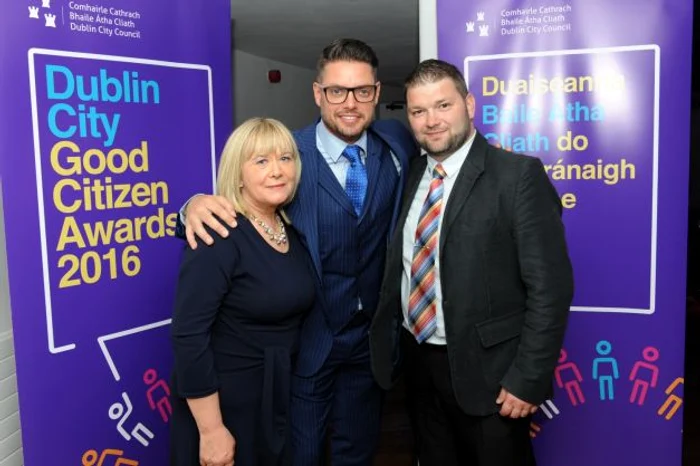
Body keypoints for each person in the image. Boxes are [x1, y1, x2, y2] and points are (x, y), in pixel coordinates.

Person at [176, 39, 417, 466]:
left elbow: (442, 149)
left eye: (362, 91)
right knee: (298, 457)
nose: (350, 103)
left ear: (378, 93)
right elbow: (238, 202)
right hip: (306, 346)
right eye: (337, 91)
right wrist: (190, 206)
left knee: (356, 454)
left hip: (369, 347)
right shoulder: (289, 156)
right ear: (317, 93)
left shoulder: (396, 143)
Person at [369, 59, 574, 466]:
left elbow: (550, 289)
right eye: (418, 111)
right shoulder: (412, 175)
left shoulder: (517, 176)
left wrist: (527, 379)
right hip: (420, 366)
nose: (431, 121)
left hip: (493, 377)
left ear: (469, 104)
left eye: (443, 106)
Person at [169, 117, 316, 466]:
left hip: (272, 399)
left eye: (286, 158)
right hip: (223, 407)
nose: (277, 171)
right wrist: (211, 429)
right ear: (238, 174)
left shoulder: (289, 230)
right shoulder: (217, 235)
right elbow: (189, 335)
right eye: (261, 161)